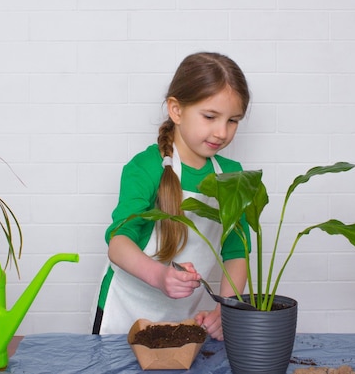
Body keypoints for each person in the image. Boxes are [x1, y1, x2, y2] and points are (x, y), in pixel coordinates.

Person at [92, 52, 251, 341]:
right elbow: (118, 243)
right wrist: (160, 276)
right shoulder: (145, 168)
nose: (222, 132)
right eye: (210, 116)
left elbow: (236, 254)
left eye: (233, 121)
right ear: (176, 110)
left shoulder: (234, 177)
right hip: (126, 316)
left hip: (187, 320)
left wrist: (227, 310)